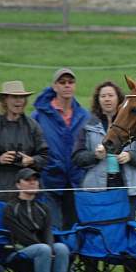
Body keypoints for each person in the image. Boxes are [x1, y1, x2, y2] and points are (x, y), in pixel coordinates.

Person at [72, 81, 136, 272]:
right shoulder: (88, 126)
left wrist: (131, 155)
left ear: (118, 99)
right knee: (93, 236)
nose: (106, 99)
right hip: (97, 192)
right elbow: (77, 158)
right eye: (102, 95)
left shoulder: (133, 122)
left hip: (126, 189)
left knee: (127, 233)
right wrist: (94, 156)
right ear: (98, 100)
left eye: (110, 95)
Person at [0, 81, 48, 213]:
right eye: (14, 97)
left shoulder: (32, 126)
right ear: (4, 100)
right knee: (0, 233)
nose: (19, 101)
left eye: (21, 97)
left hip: (27, 192)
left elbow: (45, 156)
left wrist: (32, 161)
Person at [32, 68, 89, 230]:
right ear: (54, 86)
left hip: (76, 181)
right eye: (62, 82)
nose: (67, 86)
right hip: (50, 180)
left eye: (70, 82)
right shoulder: (38, 116)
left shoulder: (84, 116)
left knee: (74, 230)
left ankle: (69, 256)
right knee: (53, 228)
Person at [3, 168, 70, 272]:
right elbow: (21, 235)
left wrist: (50, 247)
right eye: (27, 180)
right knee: (43, 249)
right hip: (19, 250)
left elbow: (47, 231)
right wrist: (45, 247)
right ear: (18, 184)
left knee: (62, 248)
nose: (32, 183)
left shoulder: (43, 208)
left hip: (42, 248)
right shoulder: (11, 208)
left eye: (35, 180)